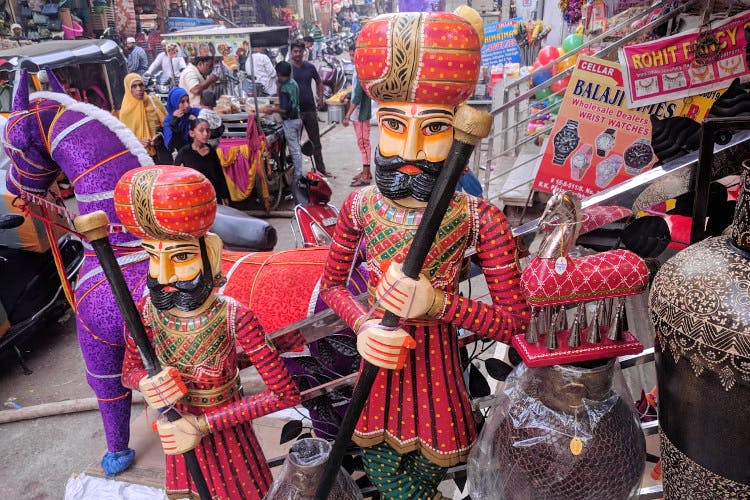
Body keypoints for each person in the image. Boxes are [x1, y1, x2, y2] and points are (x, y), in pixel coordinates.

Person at [318, 10, 529, 499]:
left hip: (437, 385)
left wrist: (439, 305)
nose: (408, 149)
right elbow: (331, 286)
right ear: (373, 127)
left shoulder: (480, 217)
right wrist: (362, 324)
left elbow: (514, 322)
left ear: (456, 128)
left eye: (432, 129)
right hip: (375, 375)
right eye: (394, 125)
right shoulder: (359, 205)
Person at [117, 165, 301, 499]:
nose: (164, 276)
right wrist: (145, 381)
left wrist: (202, 426)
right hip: (176, 428)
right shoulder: (146, 311)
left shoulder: (233, 315)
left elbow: (285, 394)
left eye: (182, 257)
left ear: (211, 254)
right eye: (152, 257)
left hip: (227, 435)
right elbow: (128, 371)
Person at [261, 61, 303, 201]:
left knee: (295, 149)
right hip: (297, 119)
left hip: (290, 121)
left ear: (279, 74)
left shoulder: (285, 87)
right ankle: (296, 175)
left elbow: (284, 109)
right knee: (295, 147)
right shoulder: (293, 83)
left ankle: (298, 178)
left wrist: (271, 109)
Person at [290, 40, 329, 176]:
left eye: (300, 51)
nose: (298, 54)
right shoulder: (288, 69)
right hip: (295, 112)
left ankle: (321, 170)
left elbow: (319, 82)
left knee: (315, 142)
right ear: (291, 52)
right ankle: (296, 173)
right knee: (295, 145)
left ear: (304, 52)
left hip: (310, 109)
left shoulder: (310, 67)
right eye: (295, 51)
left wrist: (320, 98)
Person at [174, 118, 230, 204]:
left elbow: (219, 175)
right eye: (201, 131)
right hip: (194, 197)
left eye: (208, 130)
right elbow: (176, 176)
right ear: (192, 133)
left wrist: (225, 195)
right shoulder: (184, 152)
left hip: (213, 195)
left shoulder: (211, 151)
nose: (206, 134)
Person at [119, 73, 171, 164]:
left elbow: (168, 124)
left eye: (141, 85)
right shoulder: (125, 113)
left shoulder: (153, 101)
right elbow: (124, 141)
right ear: (128, 89)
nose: (139, 89)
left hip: (161, 152)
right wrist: (138, 142)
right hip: (141, 158)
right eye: (134, 86)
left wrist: (159, 135)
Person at [342, 44, 372, 187]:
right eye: (351, 55)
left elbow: (358, 96)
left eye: (354, 55)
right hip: (358, 114)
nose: (352, 58)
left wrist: (347, 115)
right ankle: (367, 172)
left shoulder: (361, 72)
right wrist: (347, 95)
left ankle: (366, 176)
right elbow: (355, 91)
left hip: (360, 114)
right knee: (363, 143)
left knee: (363, 144)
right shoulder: (357, 70)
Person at [163, 86, 201, 153]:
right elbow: (170, 147)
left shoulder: (196, 113)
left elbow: (214, 131)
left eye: (187, 101)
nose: (187, 105)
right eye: (182, 102)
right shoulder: (169, 120)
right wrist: (175, 125)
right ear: (174, 103)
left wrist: (196, 122)